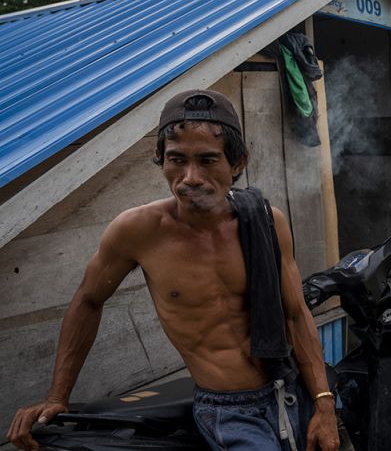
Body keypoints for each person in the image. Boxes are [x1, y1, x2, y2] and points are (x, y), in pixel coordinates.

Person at [6, 90, 340, 451]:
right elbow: (88, 300)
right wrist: (58, 396)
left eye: (208, 160)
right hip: (228, 411)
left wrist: (323, 401)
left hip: (289, 389)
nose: (190, 177)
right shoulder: (137, 230)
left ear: (238, 163)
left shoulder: (265, 221)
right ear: (161, 161)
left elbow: (295, 313)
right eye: (176, 160)